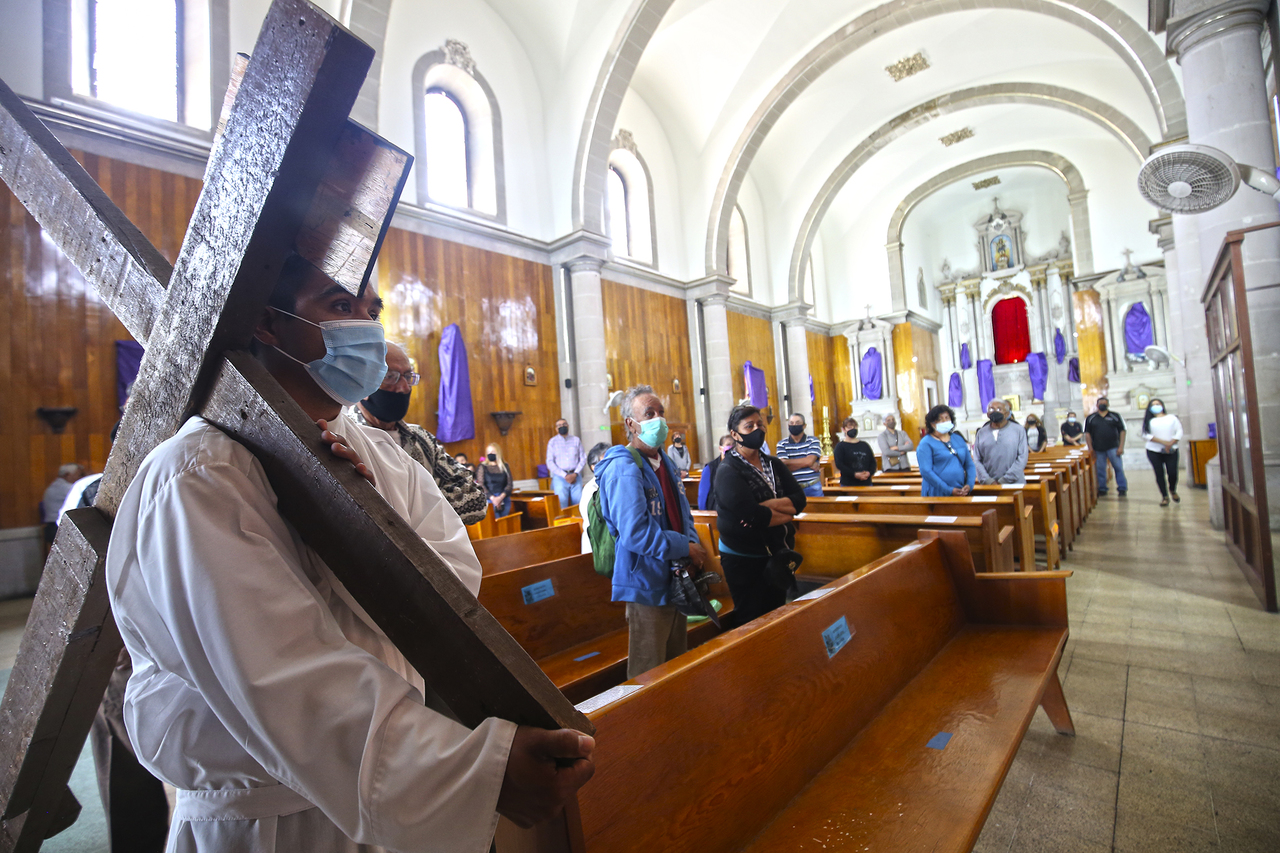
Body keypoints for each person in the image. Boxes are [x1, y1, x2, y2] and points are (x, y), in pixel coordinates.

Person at [106, 254, 594, 851]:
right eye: (341, 306)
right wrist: (464, 772)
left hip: (393, 786)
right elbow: (280, 673)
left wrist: (360, 519)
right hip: (272, 819)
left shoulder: (379, 452)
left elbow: (456, 576)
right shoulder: (201, 471)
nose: (367, 326)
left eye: (373, 310)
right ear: (268, 323)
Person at [596, 385, 707, 679]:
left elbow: (684, 514)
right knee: (648, 675)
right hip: (645, 583)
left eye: (661, 413)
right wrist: (686, 547)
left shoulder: (665, 462)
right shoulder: (623, 467)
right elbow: (635, 533)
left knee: (676, 668)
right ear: (631, 425)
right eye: (649, 414)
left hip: (675, 577)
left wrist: (691, 546)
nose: (658, 419)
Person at [352, 342, 488, 525]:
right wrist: (430, 507)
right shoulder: (347, 436)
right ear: (363, 382)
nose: (404, 388)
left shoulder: (420, 439)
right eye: (390, 376)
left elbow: (474, 498)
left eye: (408, 377)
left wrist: (407, 514)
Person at [713, 405, 806, 626]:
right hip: (743, 558)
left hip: (777, 552)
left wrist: (767, 508)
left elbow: (799, 500)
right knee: (751, 619)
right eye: (749, 426)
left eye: (759, 424)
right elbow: (753, 516)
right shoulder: (728, 470)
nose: (757, 428)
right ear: (735, 435)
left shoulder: (773, 464)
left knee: (776, 614)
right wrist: (784, 511)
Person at [917, 404, 976, 497]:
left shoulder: (958, 439)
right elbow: (926, 471)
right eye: (940, 419)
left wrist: (969, 484)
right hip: (937, 492)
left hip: (960, 489)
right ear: (932, 424)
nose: (944, 421)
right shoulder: (926, 443)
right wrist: (948, 489)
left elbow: (969, 464)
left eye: (947, 418)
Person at [973, 399, 1027, 485]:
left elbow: (1022, 458)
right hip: (989, 486)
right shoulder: (981, 433)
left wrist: (1005, 480)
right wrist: (988, 480)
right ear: (987, 414)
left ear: (1007, 414)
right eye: (991, 409)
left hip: (1014, 484)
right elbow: (977, 459)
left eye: (999, 409)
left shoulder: (1019, 430)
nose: (995, 411)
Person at [1142, 398, 1183, 506]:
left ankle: (1172, 489)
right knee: (1159, 473)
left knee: (1172, 472)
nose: (1156, 406)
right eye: (1153, 405)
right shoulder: (1149, 420)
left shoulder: (1171, 418)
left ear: (1162, 405)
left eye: (1158, 404)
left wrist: (1171, 443)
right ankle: (1164, 496)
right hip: (1154, 450)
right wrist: (1164, 442)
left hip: (1171, 450)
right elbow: (1146, 434)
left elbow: (1179, 431)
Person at [1085, 396, 1128, 497]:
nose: (1102, 405)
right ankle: (1102, 488)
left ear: (1108, 405)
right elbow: (1087, 434)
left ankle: (1122, 488)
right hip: (1098, 448)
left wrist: (1121, 446)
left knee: (1118, 468)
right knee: (1100, 469)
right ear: (1097, 405)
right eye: (1101, 403)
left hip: (1113, 447)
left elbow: (1122, 431)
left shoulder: (1115, 416)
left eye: (1104, 403)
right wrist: (1090, 448)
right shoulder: (1091, 418)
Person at [776, 413, 824, 497]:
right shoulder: (781, 444)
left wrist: (787, 462)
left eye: (797, 423)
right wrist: (807, 464)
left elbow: (809, 461)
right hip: (792, 488)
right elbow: (783, 467)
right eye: (791, 423)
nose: (794, 425)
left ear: (804, 426)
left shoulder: (813, 441)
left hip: (813, 487)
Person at [546, 418, 586, 508]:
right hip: (560, 477)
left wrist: (575, 473)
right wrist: (564, 475)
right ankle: (565, 522)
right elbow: (549, 462)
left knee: (578, 503)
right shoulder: (552, 442)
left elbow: (583, 458)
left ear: (568, 426)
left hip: (575, 476)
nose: (562, 426)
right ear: (556, 429)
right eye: (559, 425)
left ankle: (578, 521)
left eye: (564, 424)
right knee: (561, 503)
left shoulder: (576, 440)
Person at [579, 442, 611, 553]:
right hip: (598, 545)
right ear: (594, 466)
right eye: (606, 460)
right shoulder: (590, 489)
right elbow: (592, 520)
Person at [41, 463, 83, 542]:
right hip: (58, 529)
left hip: (51, 527)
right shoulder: (66, 488)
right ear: (67, 475)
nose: (80, 478)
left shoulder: (55, 485)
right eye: (79, 475)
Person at [697, 435, 736, 511]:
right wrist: (704, 513)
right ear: (720, 448)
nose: (731, 447)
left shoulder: (738, 465)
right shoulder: (710, 468)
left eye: (733, 445)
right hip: (715, 509)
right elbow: (703, 494)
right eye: (728, 445)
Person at [833, 418, 876, 486]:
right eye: (850, 427)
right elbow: (839, 464)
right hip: (848, 484)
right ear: (844, 429)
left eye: (855, 427)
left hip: (866, 482)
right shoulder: (840, 446)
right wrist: (854, 474)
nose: (853, 429)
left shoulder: (864, 445)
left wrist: (869, 473)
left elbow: (872, 462)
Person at [477, 443, 515, 518]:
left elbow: (509, 484)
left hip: (504, 499)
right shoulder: (483, 467)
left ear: (498, 453)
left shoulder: (505, 466)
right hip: (489, 499)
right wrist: (493, 498)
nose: (490, 454)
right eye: (488, 453)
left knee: (504, 523)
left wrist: (500, 498)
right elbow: (481, 485)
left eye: (493, 452)